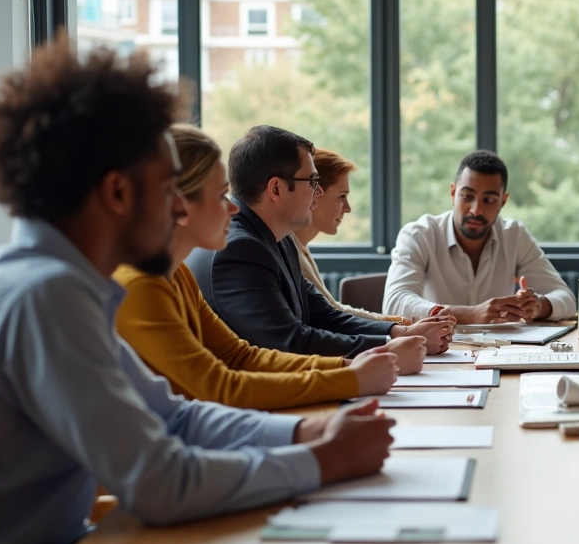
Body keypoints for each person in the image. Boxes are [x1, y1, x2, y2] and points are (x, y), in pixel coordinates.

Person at [0, 39, 395, 544]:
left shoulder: (53, 282)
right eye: (167, 187)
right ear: (117, 194)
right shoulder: (43, 297)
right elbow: (160, 482)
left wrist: (304, 430)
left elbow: (174, 416)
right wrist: (322, 460)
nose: (180, 206)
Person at [114, 125, 412, 410]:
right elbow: (220, 387)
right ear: (178, 204)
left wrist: (349, 366)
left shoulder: (177, 274)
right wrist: (350, 377)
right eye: (221, 195)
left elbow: (240, 355)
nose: (232, 207)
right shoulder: (140, 285)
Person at [186, 125, 452, 362]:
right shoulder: (240, 249)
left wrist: (400, 332)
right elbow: (290, 342)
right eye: (313, 181)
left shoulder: (276, 238)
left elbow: (323, 315)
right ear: (276, 189)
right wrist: (390, 346)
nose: (319, 191)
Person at [383, 151, 576, 324]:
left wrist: (538, 306)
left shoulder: (515, 235)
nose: (476, 210)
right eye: (467, 196)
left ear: (503, 201)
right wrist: (469, 314)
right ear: (453, 193)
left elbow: (566, 298)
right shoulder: (419, 235)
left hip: (502, 352)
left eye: (489, 200)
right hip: (437, 353)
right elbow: (394, 303)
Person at [293, 148, 410, 325]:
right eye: (342, 196)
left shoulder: (300, 247)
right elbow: (330, 315)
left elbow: (332, 308)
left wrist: (394, 322)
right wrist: (394, 326)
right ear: (314, 194)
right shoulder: (290, 250)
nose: (347, 208)